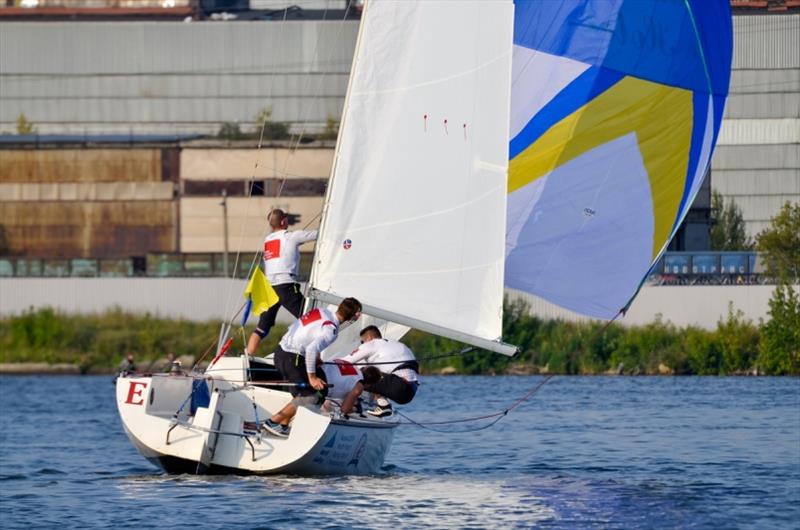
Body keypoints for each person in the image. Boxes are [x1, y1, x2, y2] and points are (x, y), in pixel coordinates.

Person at [262, 297, 362, 437]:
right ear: (352, 318)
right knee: (312, 395)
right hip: (293, 357)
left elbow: (308, 334)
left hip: (281, 353)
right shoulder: (331, 330)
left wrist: (317, 358)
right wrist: (312, 377)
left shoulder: (322, 311)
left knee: (302, 393)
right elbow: (310, 349)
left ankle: (283, 424)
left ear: (339, 306)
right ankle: (272, 422)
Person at [245, 208, 317, 356]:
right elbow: (318, 234)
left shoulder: (268, 240)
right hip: (286, 286)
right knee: (313, 320)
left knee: (262, 327)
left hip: (269, 288)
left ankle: (247, 355)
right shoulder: (292, 236)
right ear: (283, 221)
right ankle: (316, 358)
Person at [339, 326, 420, 417]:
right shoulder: (399, 345)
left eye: (362, 342)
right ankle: (383, 405)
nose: (361, 345)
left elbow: (345, 362)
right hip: (411, 391)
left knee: (363, 372)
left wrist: (323, 366)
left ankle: (352, 404)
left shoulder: (372, 343)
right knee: (373, 371)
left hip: (398, 385)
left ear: (369, 338)